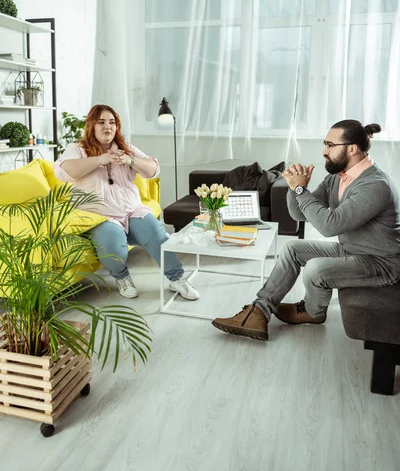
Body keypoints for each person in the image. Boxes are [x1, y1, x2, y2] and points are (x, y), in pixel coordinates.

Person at [212, 120, 400, 341]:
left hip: (382, 263)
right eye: (325, 144)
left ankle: (313, 312)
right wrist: (295, 188)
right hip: (351, 251)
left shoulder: (375, 185)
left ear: (352, 148)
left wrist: (301, 189)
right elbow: (300, 215)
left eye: (330, 145)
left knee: (315, 269)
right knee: (292, 249)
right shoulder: (336, 178)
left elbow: (329, 226)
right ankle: (259, 310)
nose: (324, 151)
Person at [54, 104, 200, 301]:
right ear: (91, 126)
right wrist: (99, 160)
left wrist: (130, 161)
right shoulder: (77, 150)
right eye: (102, 122)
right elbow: (64, 171)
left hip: (132, 211)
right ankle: (122, 277)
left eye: (112, 122)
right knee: (113, 243)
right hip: (100, 217)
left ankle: (177, 278)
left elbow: (153, 169)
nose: (108, 127)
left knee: (157, 233)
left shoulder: (126, 148)